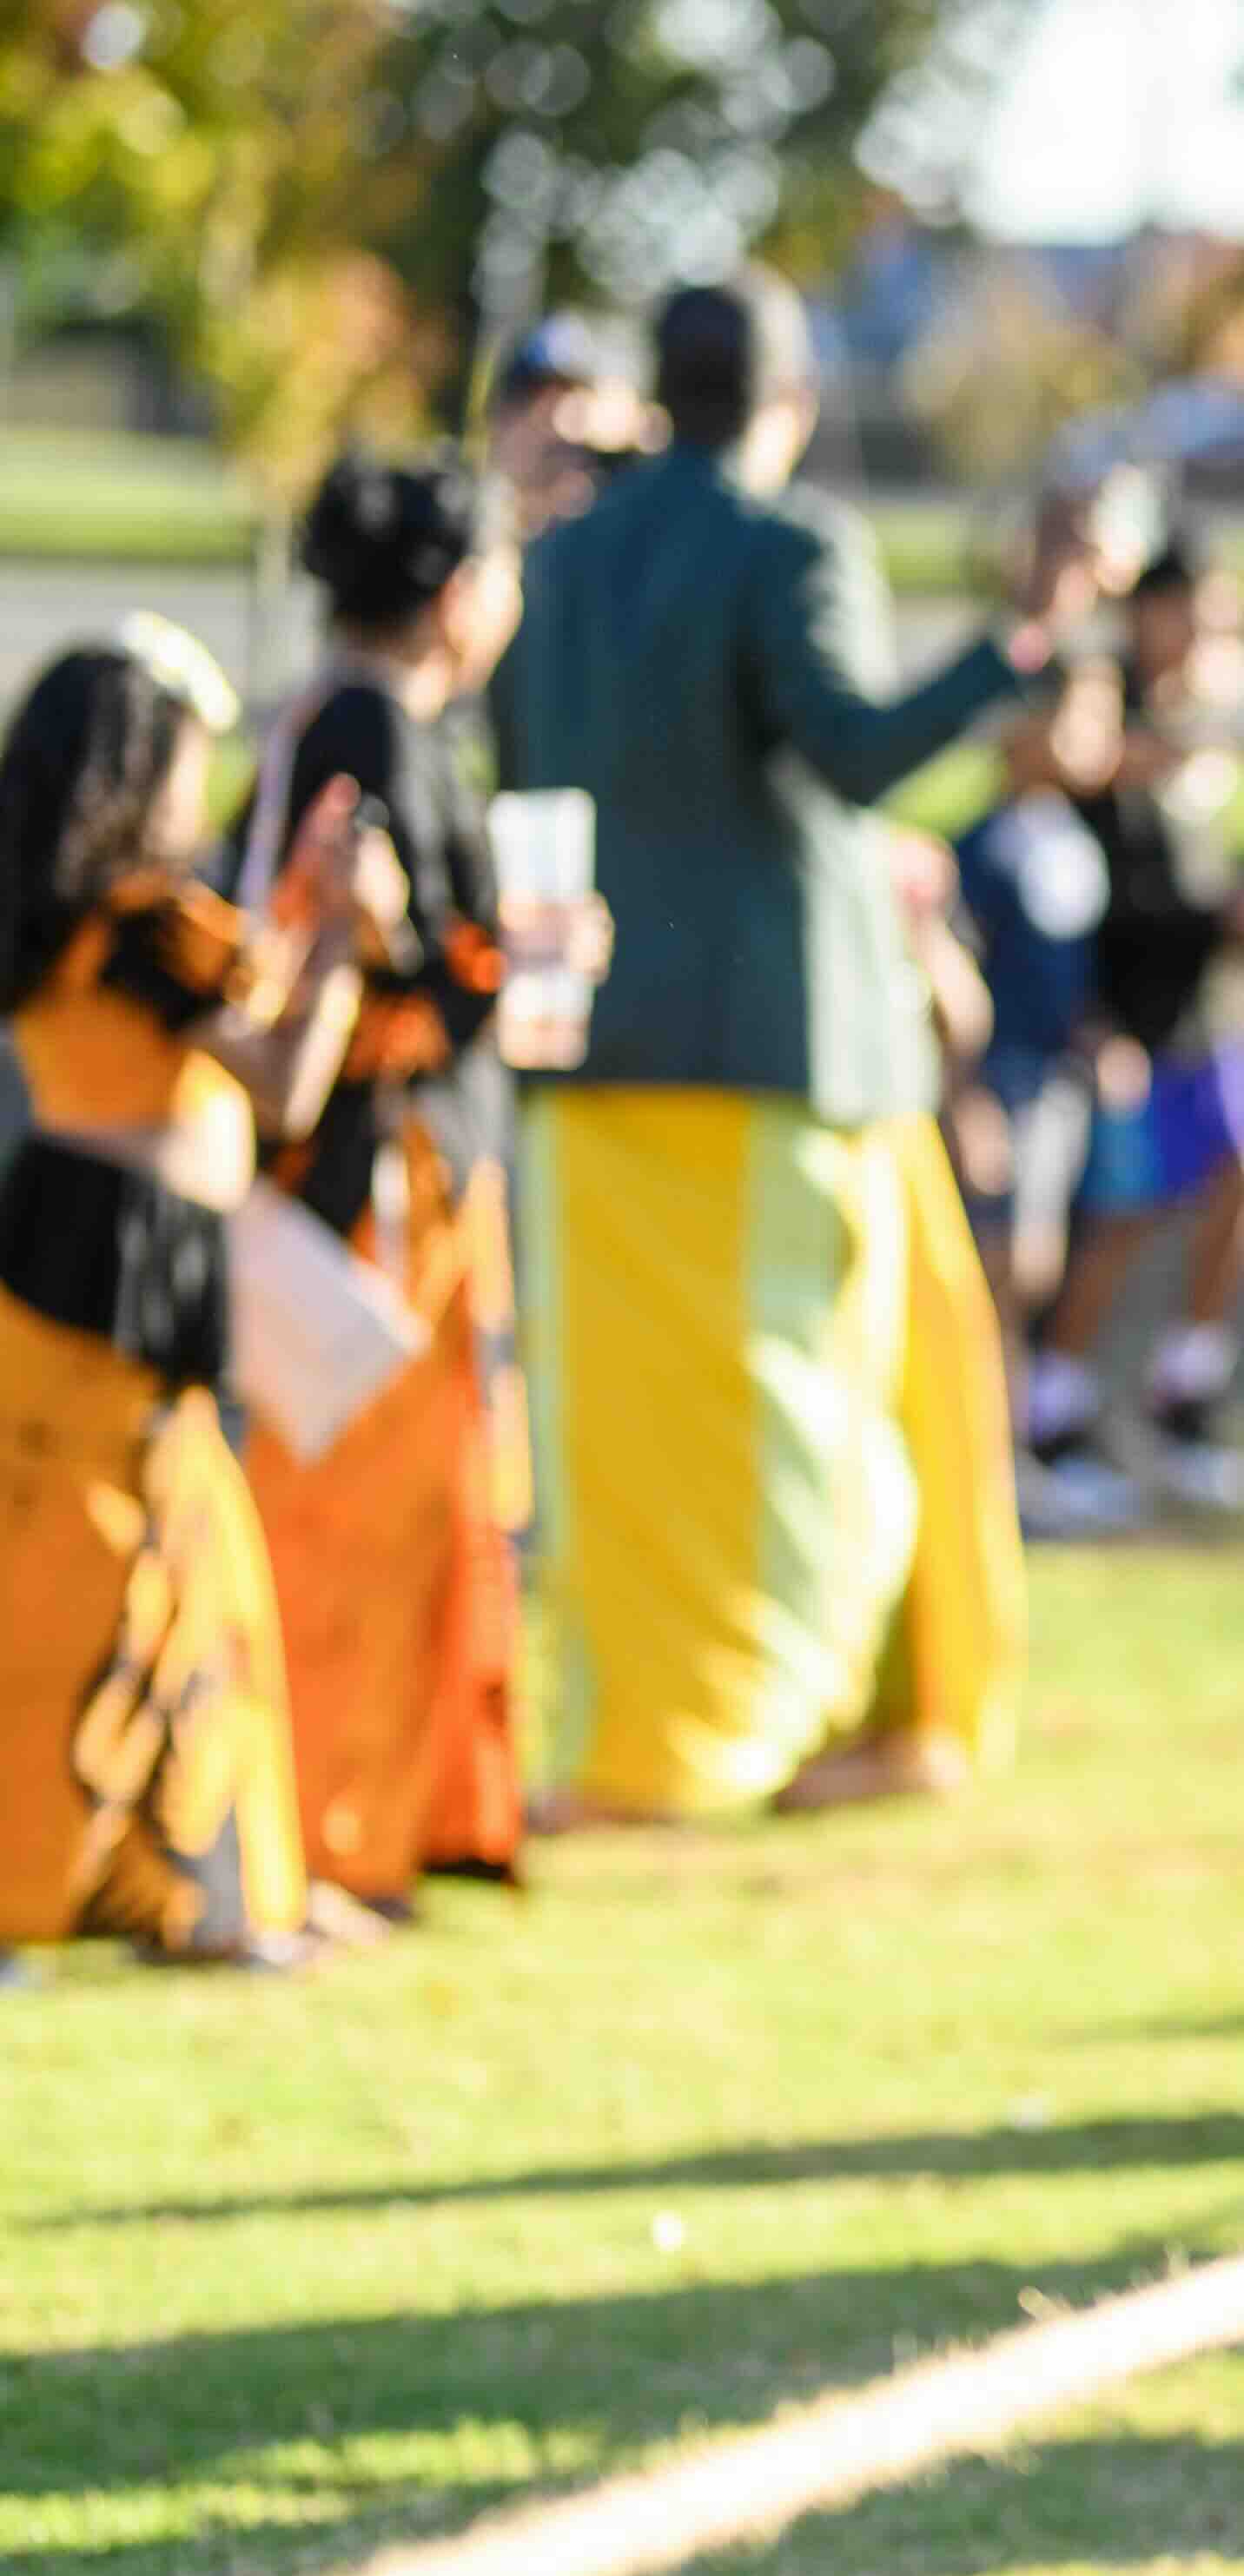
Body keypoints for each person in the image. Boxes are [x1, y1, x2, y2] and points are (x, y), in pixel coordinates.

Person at [487, 267, 1101, 1826]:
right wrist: (1019, 641)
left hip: (592, 1049)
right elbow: (856, 748)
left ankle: (648, 1731)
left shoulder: (553, 564)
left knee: (628, 1433)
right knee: (838, 1400)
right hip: (787, 1054)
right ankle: (810, 1724)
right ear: (794, 401)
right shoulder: (792, 540)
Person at [232, 458, 597, 1918]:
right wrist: (500, 964)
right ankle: (326, 1828)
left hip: (418, 1176)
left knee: (427, 1503)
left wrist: (505, 949)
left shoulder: (370, 715)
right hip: (373, 1184)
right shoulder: (371, 723)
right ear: (458, 592)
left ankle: (388, 1817)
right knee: (357, 1513)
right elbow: (365, 963)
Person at [0, 625, 388, 1966]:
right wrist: (339, 933)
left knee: (181, 1573)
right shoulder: (140, 918)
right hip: (114, 1271)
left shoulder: (60, 913)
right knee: (112, 1582)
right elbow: (285, 1083)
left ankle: (222, 1893)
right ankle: (93, 1892)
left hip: (76, 1258)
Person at [1018, 526, 1244, 1518]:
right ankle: (1056, 1407)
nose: (1208, 638)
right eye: (1193, 614)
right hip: (1116, 1015)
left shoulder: (1194, 735)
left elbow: (1193, 881)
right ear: (1147, 609)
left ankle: (1185, 1391)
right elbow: (1082, 885)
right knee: (1119, 1213)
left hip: (1195, 1010)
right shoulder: (1100, 714)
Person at [943, 652, 1135, 1528]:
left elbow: (1073, 970)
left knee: (1037, 1269)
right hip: (1003, 1080)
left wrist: (1096, 1032)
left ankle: (1010, 1456)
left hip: (1059, 1085)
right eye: (1077, 718)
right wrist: (965, 1097)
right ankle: (984, 1462)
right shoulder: (980, 851)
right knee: (999, 1273)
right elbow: (959, 983)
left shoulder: (1077, 837)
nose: (1094, 740)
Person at [485, 317, 645, 540]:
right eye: (541, 393)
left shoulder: (593, 503)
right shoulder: (480, 517)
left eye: (565, 392)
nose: (553, 410)